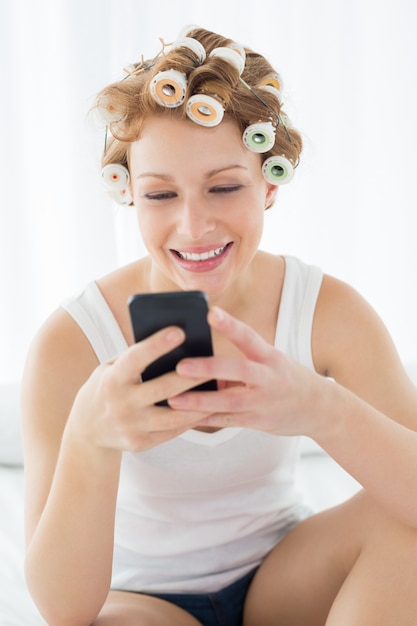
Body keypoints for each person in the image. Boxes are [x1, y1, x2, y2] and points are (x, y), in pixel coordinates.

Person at [21, 25, 417, 626]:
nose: (194, 226)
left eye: (225, 186)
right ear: (129, 194)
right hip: (142, 602)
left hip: (283, 578)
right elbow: (62, 610)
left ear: (269, 184)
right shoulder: (70, 342)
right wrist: (90, 437)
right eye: (160, 196)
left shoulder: (327, 312)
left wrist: (321, 408)